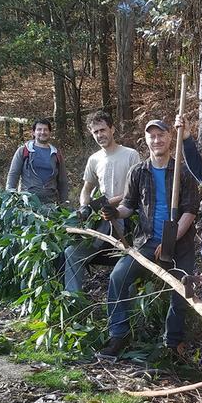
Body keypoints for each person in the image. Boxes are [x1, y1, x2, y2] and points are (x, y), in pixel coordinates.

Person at [96, 118, 202, 358]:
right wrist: (114, 213)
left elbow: (190, 211)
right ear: (146, 140)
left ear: (169, 138)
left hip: (179, 243)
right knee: (118, 277)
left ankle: (172, 344)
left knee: (181, 290)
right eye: (152, 136)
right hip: (146, 242)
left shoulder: (182, 172)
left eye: (161, 135)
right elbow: (128, 206)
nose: (157, 140)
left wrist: (171, 240)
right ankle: (119, 335)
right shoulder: (139, 171)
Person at [63, 111, 142, 294]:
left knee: (129, 259)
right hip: (100, 220)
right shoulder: (94, 159)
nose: (100, 135)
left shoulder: (130, 155)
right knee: (71, 253)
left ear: (112, 129)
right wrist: (85, 206)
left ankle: (130, 307)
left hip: (126, 218)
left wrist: (111, 203)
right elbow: (86, 188)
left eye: (103, 130)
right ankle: (73, 301)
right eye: (95, 132)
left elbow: (137, 190)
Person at [5, 118, 68, 206]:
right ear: (33, 133)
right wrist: (10, 197)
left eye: (45, 130)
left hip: (50, 204)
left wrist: (65, 203)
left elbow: (63, 181)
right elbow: (13, 174)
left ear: (50, 133)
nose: (42, 132)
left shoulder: (56, 154)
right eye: (39, 129)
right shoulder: (23, 151)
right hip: (27, 204)